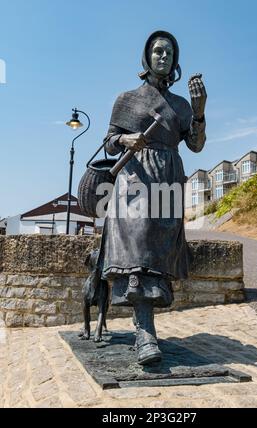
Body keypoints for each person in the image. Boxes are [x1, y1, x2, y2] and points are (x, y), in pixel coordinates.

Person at [99, 30, 207, 365]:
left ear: (175, 61)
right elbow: (108, 141)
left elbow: (196, 145)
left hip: (168, 179)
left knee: (157, 253)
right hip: (135, 178)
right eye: (158, 51)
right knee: (138, 243)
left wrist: (200, 111)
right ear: (148, 57)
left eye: (170, 53)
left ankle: (146, 326)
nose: (163, 57)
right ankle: (145, 332)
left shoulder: (181, 105)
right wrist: (127, 140)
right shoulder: (127, 98)